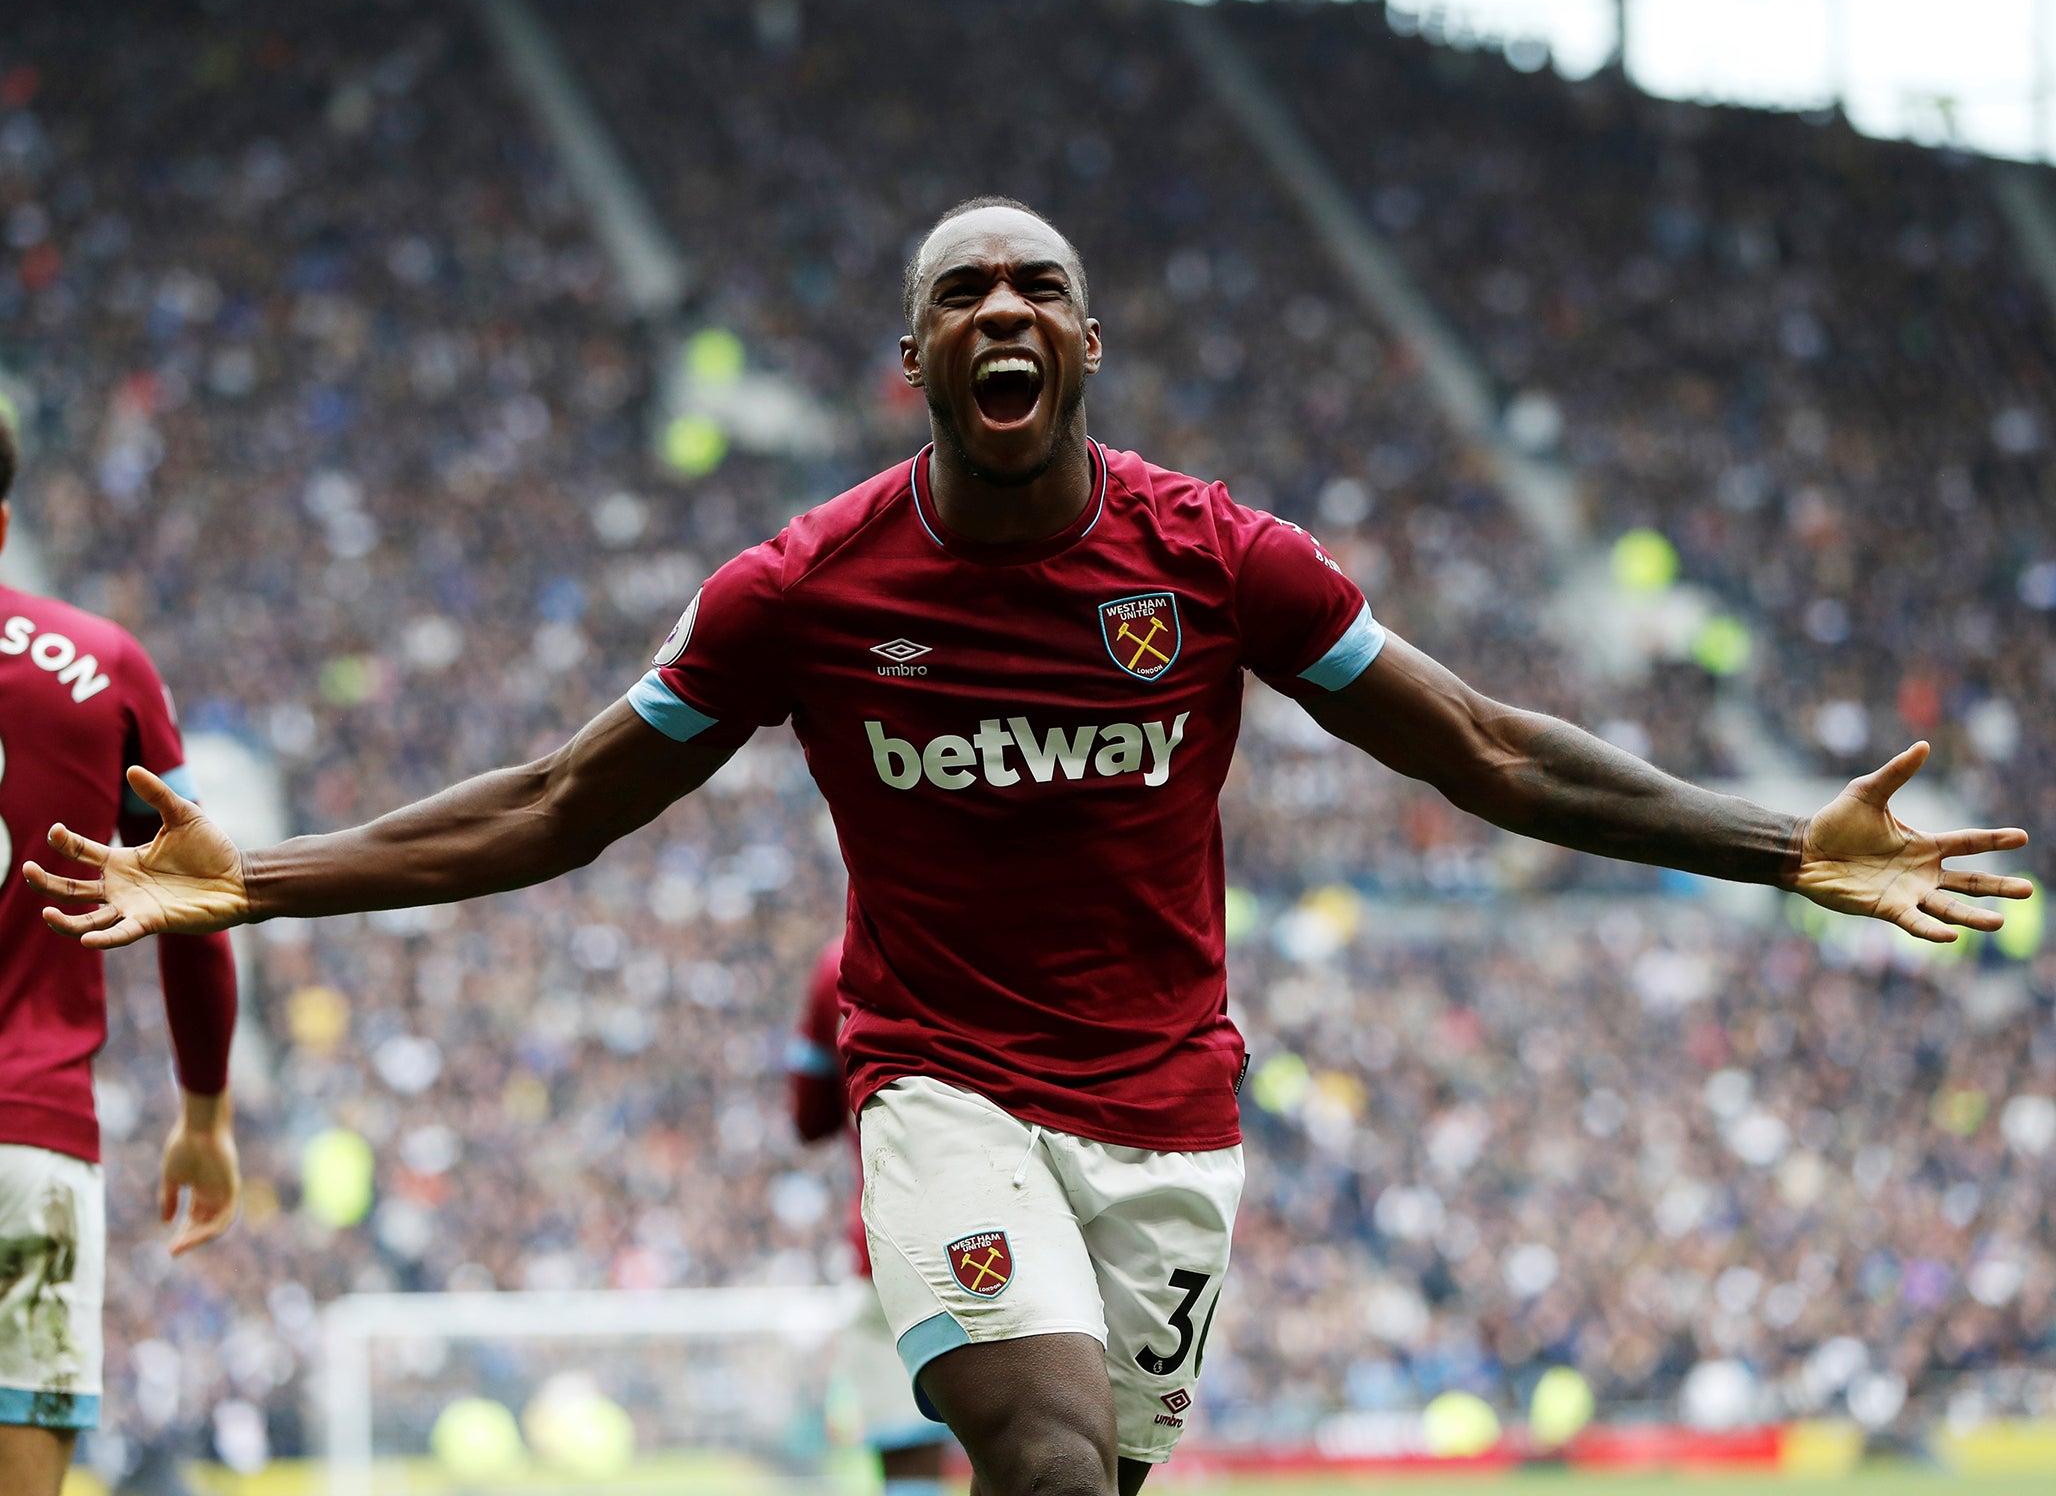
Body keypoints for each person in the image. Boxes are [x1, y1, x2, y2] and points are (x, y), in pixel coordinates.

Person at [23, 198, 2031, 1496]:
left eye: (1036, 287)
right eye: (961, 292)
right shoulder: (797, 591)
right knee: (1048, 1465)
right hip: (941, 1094)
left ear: (1081, 349)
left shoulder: (1215, 562)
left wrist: (1784, 846)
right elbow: (559, 806)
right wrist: (255, 877)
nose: (1001, 306)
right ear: (917, 367)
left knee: (1079, 1483)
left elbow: (1490, 749)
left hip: (1172, 1115)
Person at [0, 415, 241, 1496]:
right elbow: (192, 897)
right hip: (29, 1143)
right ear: (4, 524)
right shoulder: (102, 665)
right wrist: (204, 1115)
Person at [788, 936, 955, 1496]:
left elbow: (808, 1120)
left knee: (909, 1458)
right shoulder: (998, 938)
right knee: (1031, 1443)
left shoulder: (835, 965)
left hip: (894, 1243)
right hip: (1018, 1236)